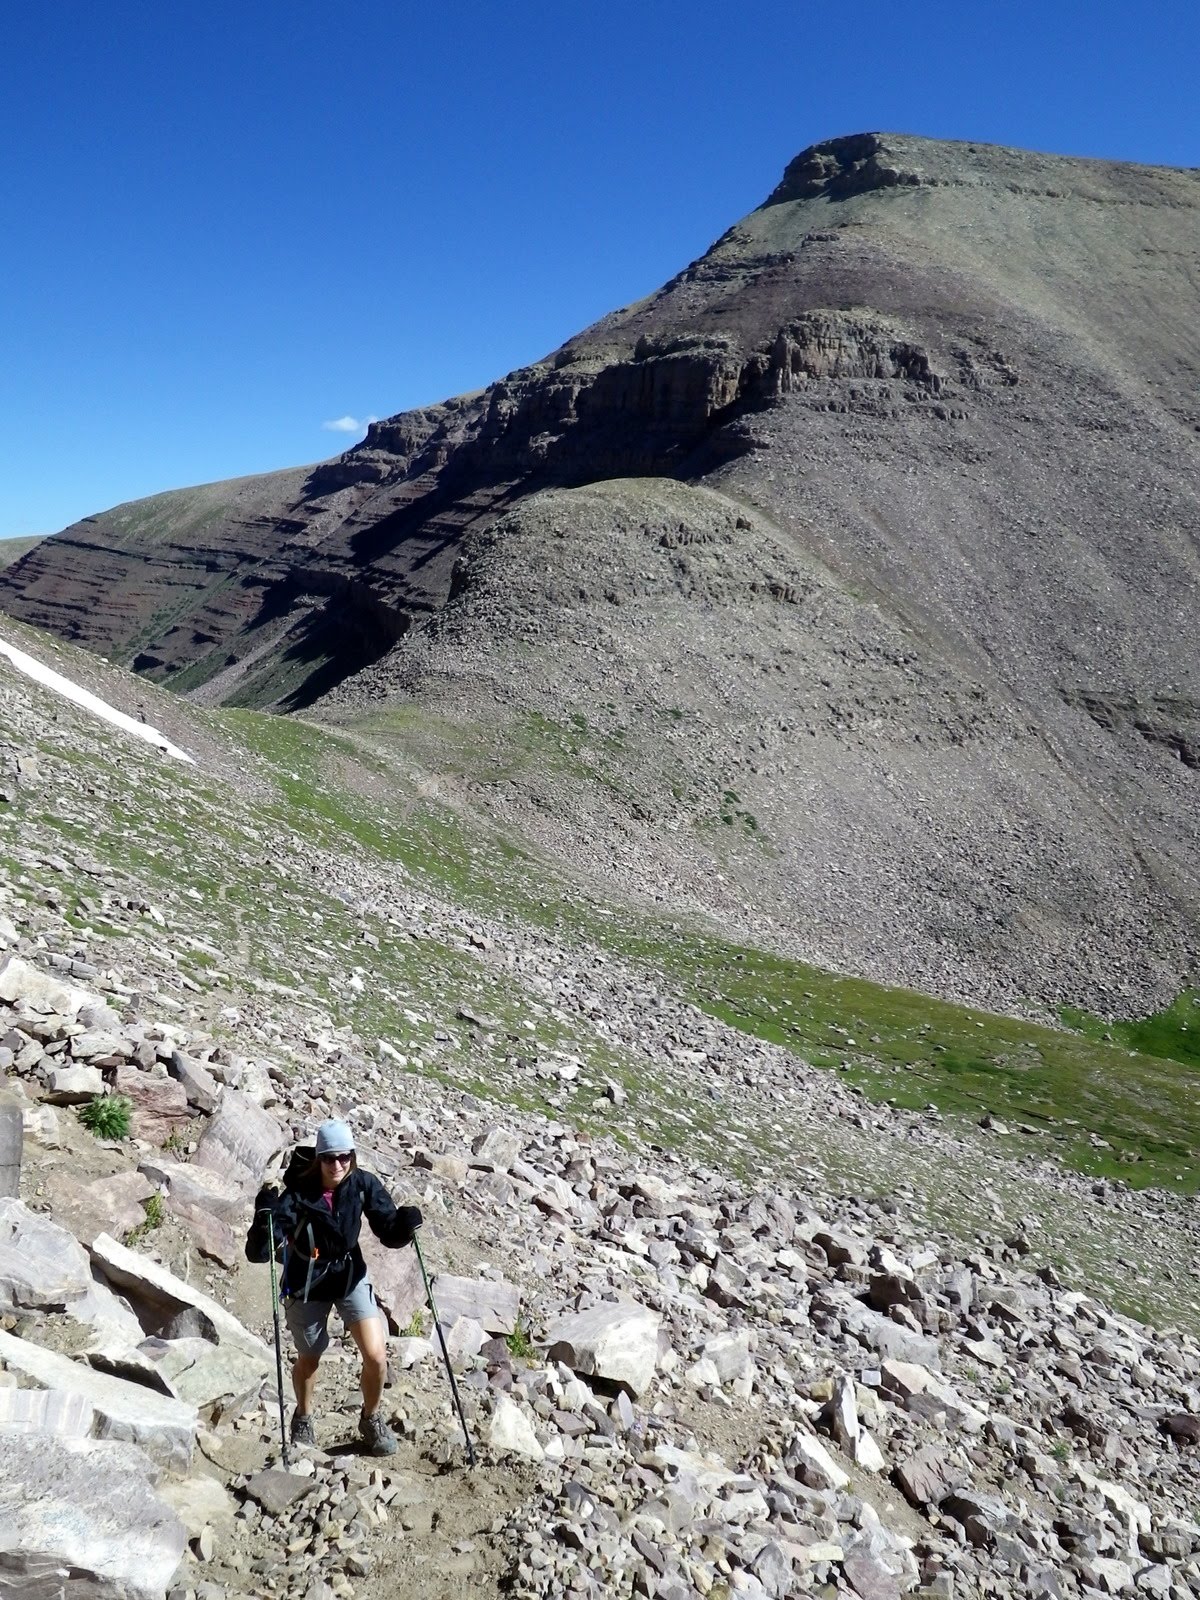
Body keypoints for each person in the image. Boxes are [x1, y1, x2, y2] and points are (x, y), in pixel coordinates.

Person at [245, 1118, 422, 1455]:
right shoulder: (297, 1196)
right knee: (309, 1359)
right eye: (329, 1158)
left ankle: (370, 1418)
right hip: (306, 1282)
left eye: (345, 1157)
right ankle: (304, 1417)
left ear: (352, 1156)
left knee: (376, 1356)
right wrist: (263, 1219)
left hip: (349, 1275)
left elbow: (387, 1229)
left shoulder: (362, 1184)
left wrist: (405, 1225)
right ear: (318, 1159)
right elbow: (260, 1253)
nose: (338, 1164)